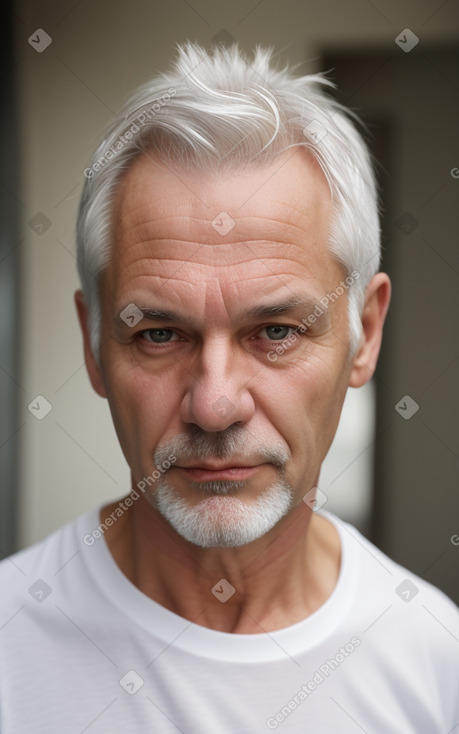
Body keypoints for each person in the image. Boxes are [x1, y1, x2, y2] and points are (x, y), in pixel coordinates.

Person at [0, 43, 457, 733]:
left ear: (364, 334)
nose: (214, 406)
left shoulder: (436, 663)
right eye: (159, 334)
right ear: (94, 344)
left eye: (275, 331)